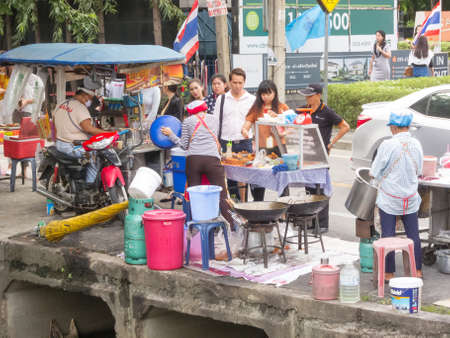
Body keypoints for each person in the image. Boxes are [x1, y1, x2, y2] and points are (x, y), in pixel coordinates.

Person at [161, 100, 234, 227]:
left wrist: (171, 134)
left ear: (190, 112)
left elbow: (184, 145)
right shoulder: (214, 119)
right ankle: (232, 227)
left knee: (195, 197)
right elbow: (214, 138)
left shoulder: (187, 121)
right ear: (204, 109)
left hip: (193, 160)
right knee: (222, 196)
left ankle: (196, 228)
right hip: (212, 160)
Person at [370, 111, 424, 280]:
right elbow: (420, 170)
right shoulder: (416, 144)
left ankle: (388, 273)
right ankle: (417, 271)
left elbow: (375, 171)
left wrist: (376, 177)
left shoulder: (388, 144)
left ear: (393, 127)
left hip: (390, 197)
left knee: (388, 235)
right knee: (413, 235)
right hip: (410, 198)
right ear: (408, 126)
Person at [299, 84, 350, 232]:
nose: (307, 98)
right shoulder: (304, 109)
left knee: (320, 189)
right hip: (306, 155)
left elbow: (345, 126)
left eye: (310, 96)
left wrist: (331, 143)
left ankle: (322, 224)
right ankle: (310, 221)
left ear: (319, 95)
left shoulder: (326, 111)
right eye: (306, 96)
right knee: (309, 189)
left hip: (321, 157)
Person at [241, 80, 289, 201]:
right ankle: (259, 205)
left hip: (279, 147)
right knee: (258, 178)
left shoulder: (282, 107)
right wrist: (245, 131)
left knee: (282, 177)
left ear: (275, 93)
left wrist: (278, 118)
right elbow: (246, 125)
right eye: (263, 94)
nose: (265, 96)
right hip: (262, 149)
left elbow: (289, 126)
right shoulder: (256, 108)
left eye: (268, 93)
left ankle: (285, 210)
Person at [213, 68, 256, 200]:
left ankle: (244, 204)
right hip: (227, 142)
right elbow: (216, 121)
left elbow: (255, 121)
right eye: (235, 82)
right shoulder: (222, 99)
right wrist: (217, 141)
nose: (237, 86)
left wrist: (254, 141)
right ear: (229, 82)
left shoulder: (252, 99)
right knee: (230, 177)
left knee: (246, 176)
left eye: (240, 83)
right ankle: (234, 206)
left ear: (244, 82)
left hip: (245, 142)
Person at [53, 87, 108, 184]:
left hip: (59, 144)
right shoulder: (81, 108)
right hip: (72, 147)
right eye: (90, 99)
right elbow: (89, 129)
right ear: (85, 96)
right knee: (95, 158)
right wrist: (108, 133)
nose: (90, 102)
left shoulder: (61, 104)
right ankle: (89, 186)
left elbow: (54, 122)